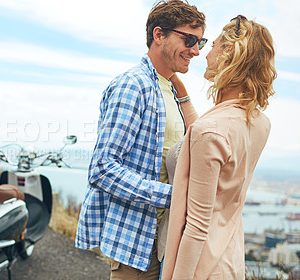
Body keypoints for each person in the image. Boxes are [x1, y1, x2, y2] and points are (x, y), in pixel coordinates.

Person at [75, 0, 206, 279]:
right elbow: (103, 169)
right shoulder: (132, 85)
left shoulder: (169, 88)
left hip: (165, 241)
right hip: (136, 244)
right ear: (159, 35)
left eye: (201, 42)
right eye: (190, 39)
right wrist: (175, 196)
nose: (195, 50)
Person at [160, 15, 277, 280]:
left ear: (228, 54)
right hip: (228, 260)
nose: (204, 54)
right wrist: (183, 95)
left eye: (212, 46)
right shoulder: (259, 122)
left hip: (197, 269)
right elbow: (201, 138)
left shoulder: (210, 131)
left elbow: (197, 226)